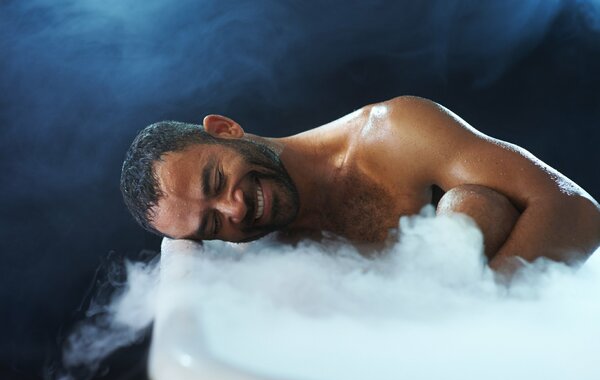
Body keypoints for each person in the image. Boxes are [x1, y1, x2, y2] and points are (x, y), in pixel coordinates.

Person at [120, 96, 600, 275]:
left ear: (225, 129)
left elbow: (577, 210)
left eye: (216, 178)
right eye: (210, 224)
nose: (235, 209)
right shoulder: (259, 266)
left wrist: (468, 321)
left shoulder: (393, 134)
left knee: (472, 206)